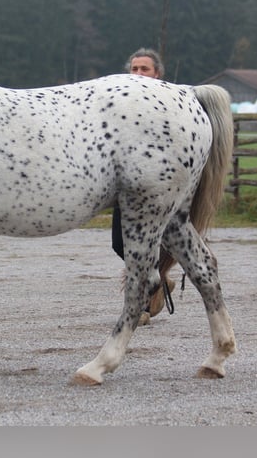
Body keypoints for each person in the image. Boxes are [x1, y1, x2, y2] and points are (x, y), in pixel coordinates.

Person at [113, 48, 176, 325]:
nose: (138, 74)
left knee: (160, 241)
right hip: (127, 187)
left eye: (144, 69)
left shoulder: (172, 104)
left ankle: (141, 305)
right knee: (119, 243)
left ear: (157, 74)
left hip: (160, 186)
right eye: (134, 69)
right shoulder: (122, 104)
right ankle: (158, 280)